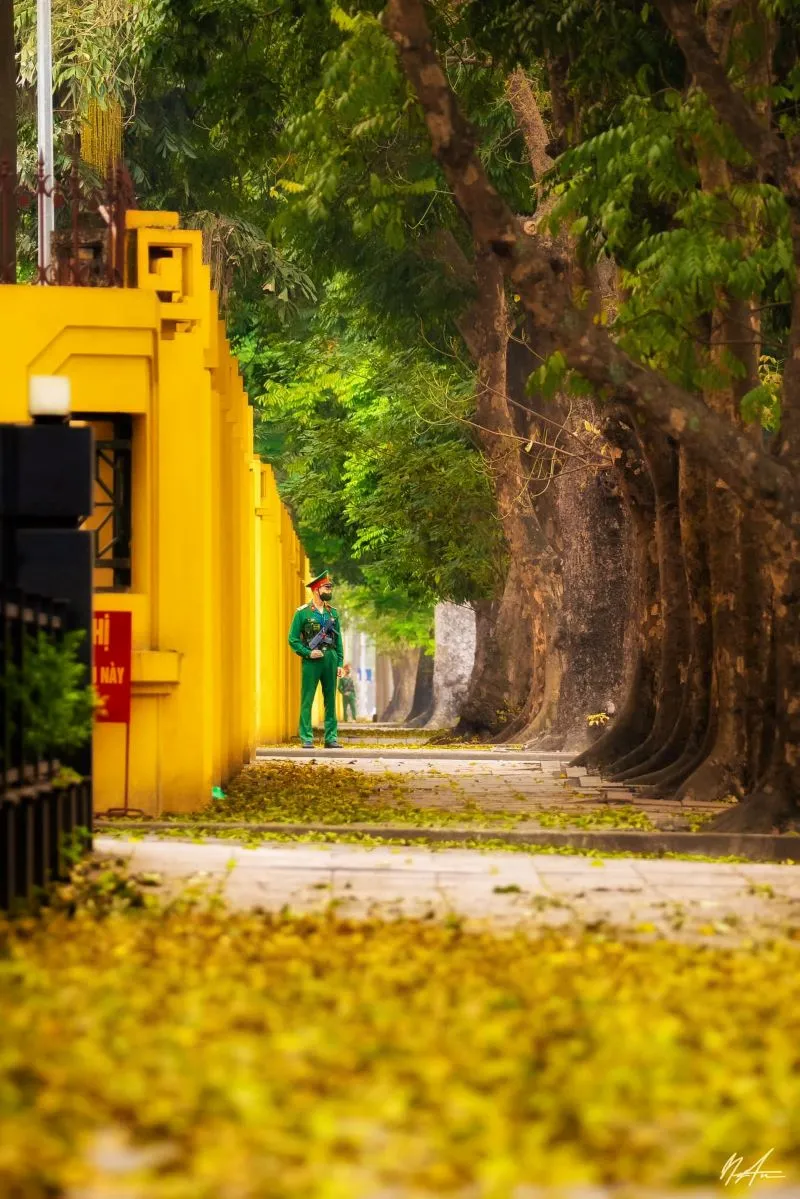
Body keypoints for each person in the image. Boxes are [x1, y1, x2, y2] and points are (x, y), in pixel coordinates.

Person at [287, 569, 343, 748]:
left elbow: (338, 639)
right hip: (312, 661)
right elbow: (293, 639)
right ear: (316, 590)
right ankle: (306, 737)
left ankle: (331, 738)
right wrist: (307, 653)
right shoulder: (302, 613)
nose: (329, 591)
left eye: (330, 587)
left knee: (330, 700)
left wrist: (340, 663)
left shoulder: (333, 613)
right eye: (326, 587)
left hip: (330, 658)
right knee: (307, 698)